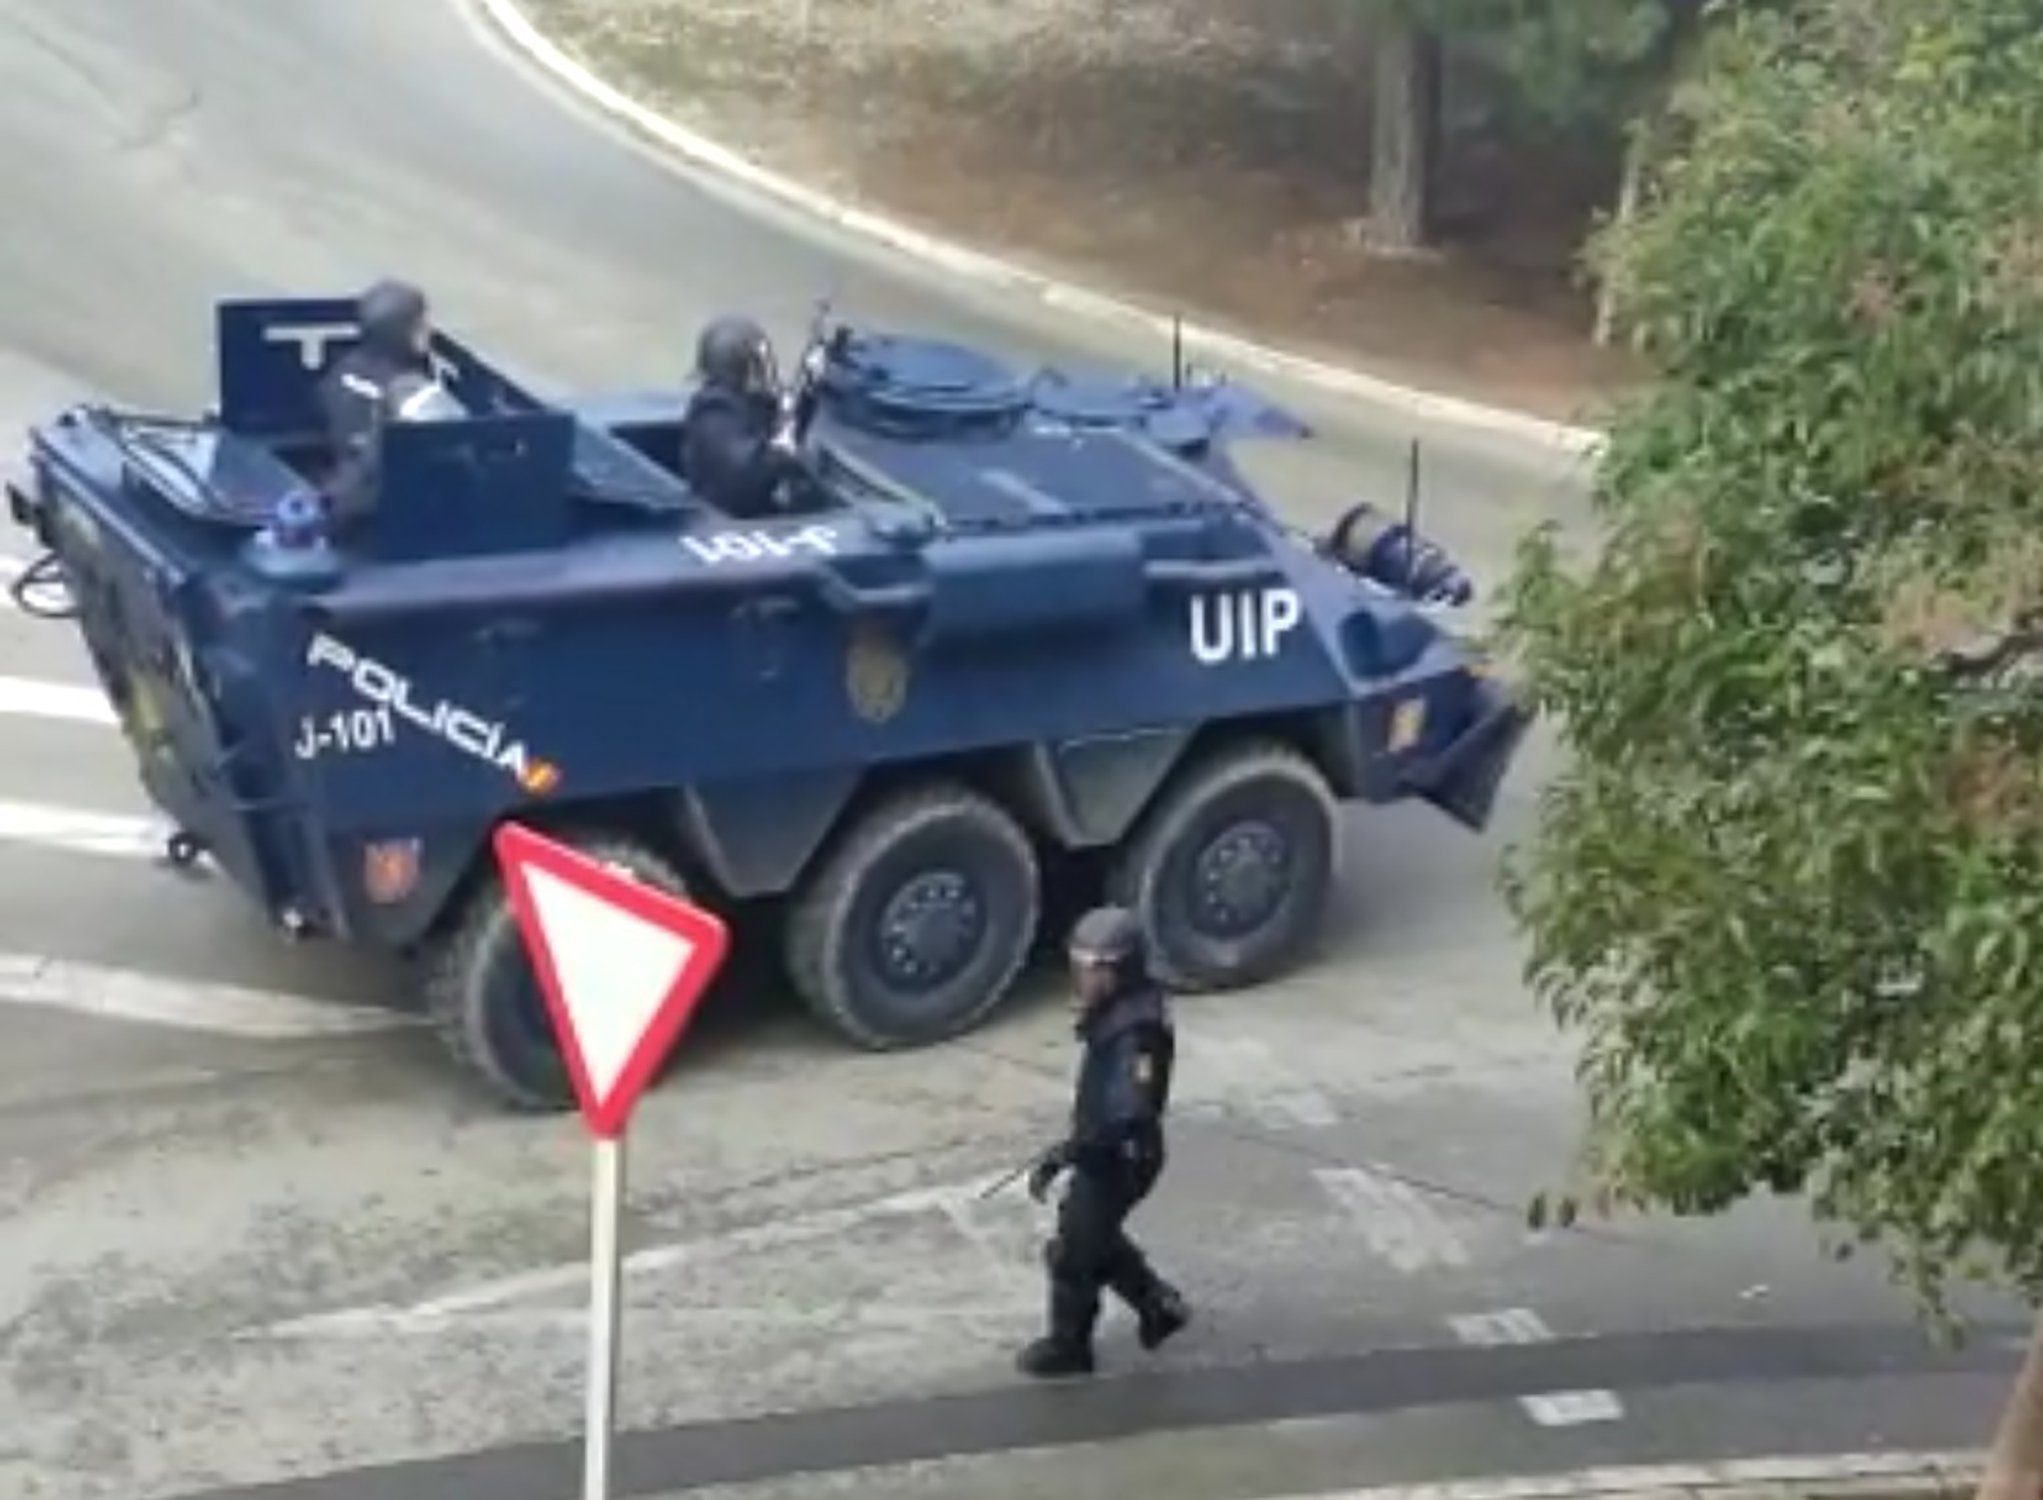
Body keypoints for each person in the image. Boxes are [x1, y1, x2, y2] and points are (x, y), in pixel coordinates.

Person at [1016, 905, 1191, 1379]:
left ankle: (1069, 1348)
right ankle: (1159, 1305)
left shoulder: (1137, 1034)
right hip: (1103, 1151)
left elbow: (1129, 1108)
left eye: (1094, 969)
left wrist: (1070, 1153)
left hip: (1117, 1162)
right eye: (1079, 966)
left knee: (1073, 1258)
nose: (1083, 979)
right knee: (1095, 1239)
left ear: (1122, 969)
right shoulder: (1119, 1010)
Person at [316, 278, 451, 527]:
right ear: (404, 333)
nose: (428, 329)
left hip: (343, 485)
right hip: (397, 509)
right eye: (421, 323)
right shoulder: (416, 396)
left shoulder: (340, 372)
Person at [680, 314, 805, 518]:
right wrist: (781, 451)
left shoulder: (744, 402)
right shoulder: (716, 411)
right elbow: (745, 472)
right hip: (724, 517)